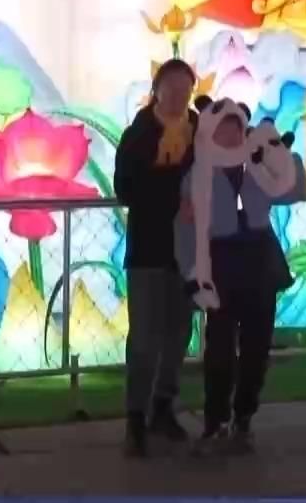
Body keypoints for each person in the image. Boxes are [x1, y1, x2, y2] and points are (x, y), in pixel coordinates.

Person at [181, 99, 306, 454]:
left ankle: (244, 417)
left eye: (235, 128)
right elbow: (186, 209)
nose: (229, 135)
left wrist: (279, 152)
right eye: (221, 128)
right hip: (220, 259)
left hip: (259, 259)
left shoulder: (259, 163)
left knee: (256, 345)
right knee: (219, 346)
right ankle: (215, 421)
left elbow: (296, 189)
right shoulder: (201, 168)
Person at [112, 59, 199, 456]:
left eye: (186, 89)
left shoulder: (199, 129)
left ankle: (163, 406)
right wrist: (174, 192)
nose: (179, 95)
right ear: (157, 89)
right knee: (145, 336)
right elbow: (126, 189)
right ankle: (136, 417)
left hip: (187, 249)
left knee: (179, 331)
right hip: (148, 248)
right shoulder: (138, 134)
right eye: (172, 87)